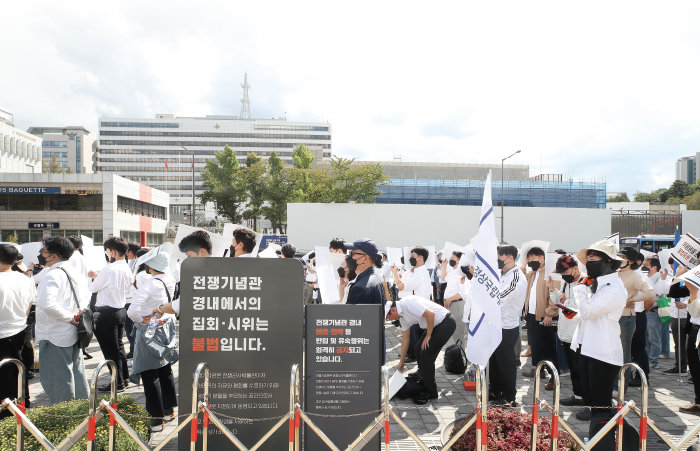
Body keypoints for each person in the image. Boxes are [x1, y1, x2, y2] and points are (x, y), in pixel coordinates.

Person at [571, 240, 626, 429]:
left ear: (609, 261)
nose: (589, 261)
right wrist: (575, 314)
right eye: (588, 258)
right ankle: (598, 440)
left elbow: (590, 312)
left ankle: (605, 441)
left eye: (594, 257)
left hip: (603, 352)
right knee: (592, 401)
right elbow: (589, 315)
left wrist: (579, 289)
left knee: (601, 404)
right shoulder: (597, 285)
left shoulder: (614, 288)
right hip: (587, 348)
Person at [35, 236, 90, 404]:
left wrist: (69, 317)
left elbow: (47, 304)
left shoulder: (52, 275)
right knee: (77, 375)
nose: (42, 255)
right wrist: (77, 315)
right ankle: (83, 414)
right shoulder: (75, 273)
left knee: (58, 381)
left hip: (54, 334)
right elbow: (87, 296)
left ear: (54, 256)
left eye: (45, 252)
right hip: (74, 332)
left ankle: (67, 419)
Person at [128, 252, 178, 432]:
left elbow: (132, 312)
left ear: (150, 266)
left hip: (152, 327)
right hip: (165, 324)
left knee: (150, 373)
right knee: (165, 367)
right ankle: (169, 410)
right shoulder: (169, 279)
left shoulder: (149, 283)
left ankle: (156, 420)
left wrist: (142, 320)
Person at [386, 295, 456, 404]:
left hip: (445, 323)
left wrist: (428, 336)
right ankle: (422, 374)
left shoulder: (408, 303)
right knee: (418, 348)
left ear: (392, 309)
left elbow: (430, 314)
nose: (391, 320)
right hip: (435, 324)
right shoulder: (402, 317)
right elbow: (406, 339)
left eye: (389, 317)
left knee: (426, 354)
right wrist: (401, 362)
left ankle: (431, 391)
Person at [87, 237, 134, 391]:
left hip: (106, 313)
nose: (107, 254)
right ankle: (124, 378)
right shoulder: (126, 267)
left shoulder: (109, 269)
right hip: (120, 310)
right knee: (118, 347)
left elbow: (93, 288)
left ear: (113, 252)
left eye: (107, 251)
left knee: (110, 350)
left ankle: (117, 382)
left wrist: (94, 278)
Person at [548, 254, 588, 417]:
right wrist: (553, 290)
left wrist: (565, 301)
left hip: (579, 333)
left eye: (565, 271)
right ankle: (577, 395)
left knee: (582, 368)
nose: (563, 274)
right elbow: (560, 302)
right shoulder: (566, 282)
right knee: (574, 368)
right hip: (565, 332)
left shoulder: (586, 281)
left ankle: (588, 398)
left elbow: (584, 306)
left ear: (575, 268)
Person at [489, 244, 527, 406]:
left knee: (506, 363)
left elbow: (502, 295)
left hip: (507, 326)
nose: (496, 260)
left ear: (510, 258)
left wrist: (487, 297)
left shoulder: (516, 276)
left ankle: (509, 396)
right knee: (495, 362)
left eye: (499, 257)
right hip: (495, 323)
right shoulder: (502, 273)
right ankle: (496, 390)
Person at [0, 245, 34, 418]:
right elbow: (29, 305)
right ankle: (24, 403)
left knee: (4, 374)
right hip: (19, 329)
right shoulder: (24, 279)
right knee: (18, 369)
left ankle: (6, 412)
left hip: (3, 332)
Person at [522, 246, 559, 390]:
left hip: (544, 315)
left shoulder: (549, 273)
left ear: (542, 258)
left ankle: (553, 376)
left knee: (547, 347)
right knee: (535, 345)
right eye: (529, 258)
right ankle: (538, 370)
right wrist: (524, 265)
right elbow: (523, 281)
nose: (531, 261)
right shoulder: (533, 273)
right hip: (531, 314)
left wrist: (550, 313)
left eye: (533, 258)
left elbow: (553, 294)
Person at [616, 247, 654, 386]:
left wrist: (633, 302)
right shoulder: (617, 274)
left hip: (636, 315)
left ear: (631, 261)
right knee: (626, 349)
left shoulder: (639, 276)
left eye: (623, 258)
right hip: (621, 315)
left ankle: (642, 377)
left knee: (637, 348)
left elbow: (650, 299)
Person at [678, 279, 700, 414]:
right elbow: (675, 292)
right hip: (694, 328)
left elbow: (697, 311)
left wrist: (693, 293)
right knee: (694, 366)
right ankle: (698, 402)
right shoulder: (695, 279)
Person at [345, 239, 386, 306]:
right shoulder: (375, 279)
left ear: (366, 258)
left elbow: (349, 315)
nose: (350, 257)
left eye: (352, 253)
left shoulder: (359, 288)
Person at [645, 256, 668, 370]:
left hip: (653, 311)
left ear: (654, 267)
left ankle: (653, 360)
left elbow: (656, 294)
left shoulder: (659, 278)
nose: (644, 266)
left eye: (646, 264)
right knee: (645, 337)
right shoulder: (644, 276)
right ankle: (646, 358)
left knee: (653, 337)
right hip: (643, 311)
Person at [665, 261, 688, 376]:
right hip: (675, 314)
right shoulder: (675, 276)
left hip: (688, 314)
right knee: (678, 343)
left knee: (689, 344)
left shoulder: (693, 277)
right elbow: (670, 291)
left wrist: (686, 305)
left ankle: (687, 368)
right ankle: (679, 366)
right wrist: (677, 276)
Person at [441, 251, 468, 345]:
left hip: (456, 304)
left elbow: (462, 293)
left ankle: (461, 355)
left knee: (458, 332)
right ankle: (454, 354)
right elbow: (444, 278)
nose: (451, 260)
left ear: (460, 260)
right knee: (451, 331)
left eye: (453, 258)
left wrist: (449, 299)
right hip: (450, 304)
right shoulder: (453, 272)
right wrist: (444, 266)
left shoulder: (462, 274)